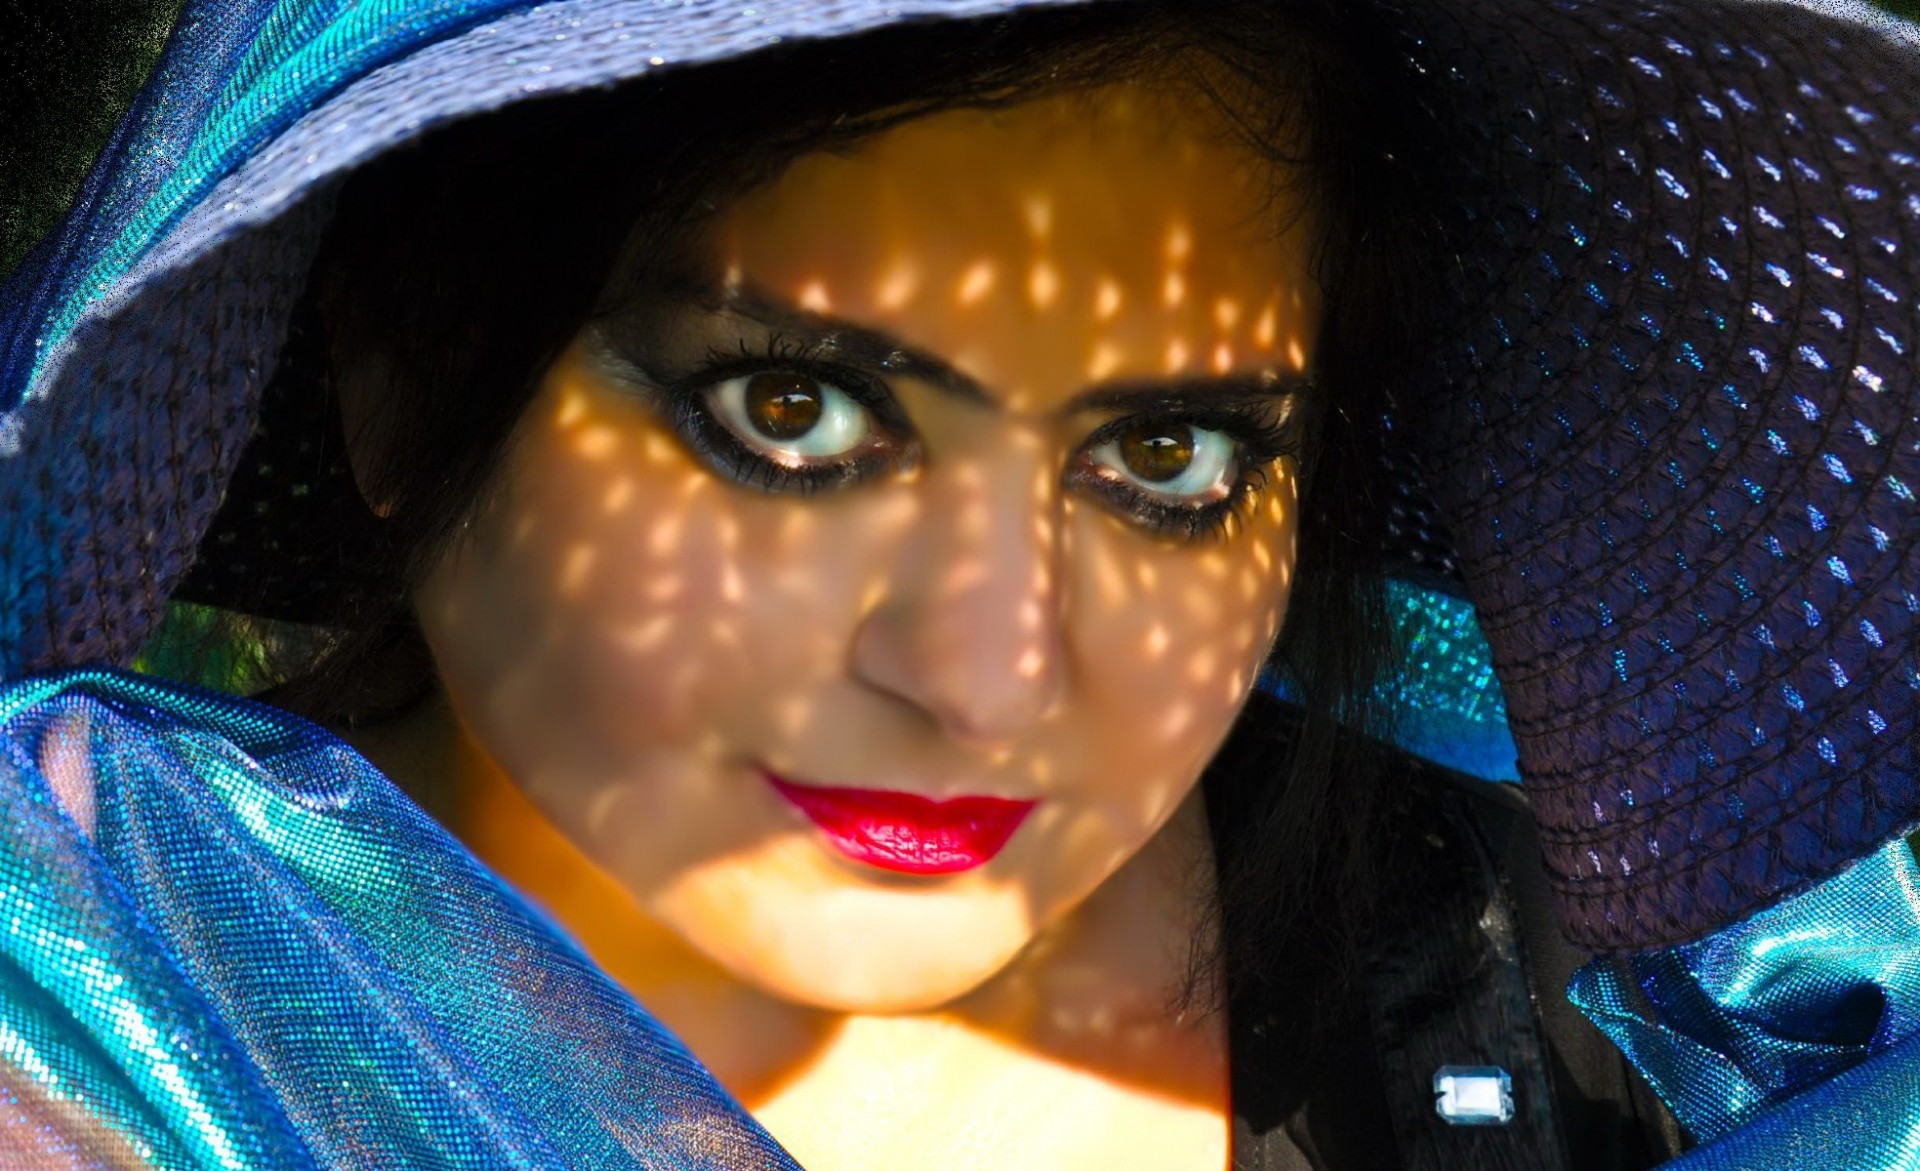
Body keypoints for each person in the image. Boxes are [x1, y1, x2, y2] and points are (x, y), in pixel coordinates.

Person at [3, 1, 1919, 1169]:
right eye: (793, 414)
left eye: (1169, 461)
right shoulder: (83, 1028)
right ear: (400, 369)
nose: (992, 676)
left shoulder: (1678, 985)